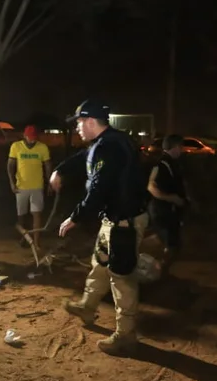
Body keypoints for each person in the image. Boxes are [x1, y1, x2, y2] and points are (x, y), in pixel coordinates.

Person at [51, 100, 148, 356]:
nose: (78, 129)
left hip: (124, 222)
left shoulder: (110, 148)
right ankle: (87, 305)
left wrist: (75, 217)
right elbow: (84, 157)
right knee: (101, 263)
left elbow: (98, 189)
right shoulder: (108, 142)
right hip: (114, 219)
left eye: (80, 123)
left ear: (90, 121)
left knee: (122, 278)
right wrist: (60, 170)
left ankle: (126, 335)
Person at [147, 134, 188, 275]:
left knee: (170, 243)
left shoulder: (171, 163)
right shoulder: (162, 164)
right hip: (163, 211)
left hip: (168, 211)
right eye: (181, 147)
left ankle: (160, 271)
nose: (182, 150)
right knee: (171, 245)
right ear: (176, 147)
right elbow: (151, 187)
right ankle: (158, 273)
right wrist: (172, 199)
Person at [7, 125, 52, 249]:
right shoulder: (16, 146)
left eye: (34, 138)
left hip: (37, 186)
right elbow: (10, 166)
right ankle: (24, 237)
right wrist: (12, 182)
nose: (32, 140)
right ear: (24, 136)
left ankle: (36, 242)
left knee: (37, 214)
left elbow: (47, 166)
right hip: (21, 187)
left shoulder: (42, 148)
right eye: (29, 137)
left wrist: (49, 183)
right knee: (21, 216)